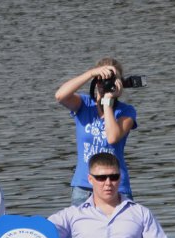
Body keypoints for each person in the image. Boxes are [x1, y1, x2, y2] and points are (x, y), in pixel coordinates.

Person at [47, 153, 175, 238]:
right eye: (101, 178)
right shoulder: (72, 215)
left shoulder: (140, 212)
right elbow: (41, 233)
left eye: (113, 177)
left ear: (120, 178)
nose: (108, 183)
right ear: (90, 179)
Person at [55, 57, 138, 206]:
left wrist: (108, 101)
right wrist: (90, 74)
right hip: (84, 186)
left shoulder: (126, 111)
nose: (104, 84)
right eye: (100, 80)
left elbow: (112, 137)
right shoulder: (85, 104)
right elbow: (60, 95)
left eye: (110, 80)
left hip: (115, 186)